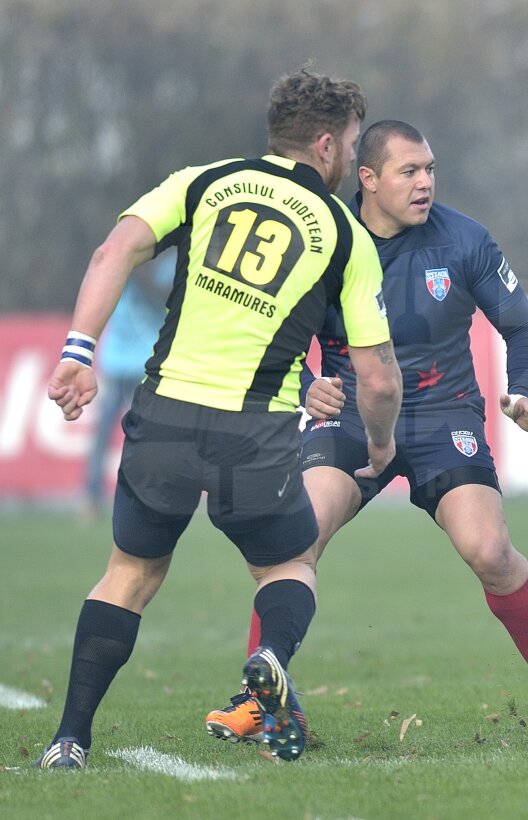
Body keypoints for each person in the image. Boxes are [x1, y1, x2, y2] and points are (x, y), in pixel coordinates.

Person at [36, 68, 403, 770]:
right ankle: (270, 655)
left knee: (130, 574)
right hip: (255, 433)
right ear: (324, 144)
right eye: (354, 145)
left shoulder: (202, 182)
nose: (355, 161)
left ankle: (69, 739)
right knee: (287, 565)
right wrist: (381, 444)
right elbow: (378, 376)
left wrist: (79, 351)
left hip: (164, 417)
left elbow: (112, 251)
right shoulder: (344, 232)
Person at [205, 119, 528, 744]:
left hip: (444, 415)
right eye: (409, 172)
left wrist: (522, 390)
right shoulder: (322, 238)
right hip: (349, 416)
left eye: (430, 169)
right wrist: (309, 381)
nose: (425, 184)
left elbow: (524, 329)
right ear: (367, 179)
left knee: (490, 552)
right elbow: (265, 329)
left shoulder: (465, 239)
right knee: (295, 542)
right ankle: (261, 696)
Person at [81, 251, 173, 521]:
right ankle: (91, 496)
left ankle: (153, 494)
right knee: (103, 433)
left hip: (143, 365)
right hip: (116, 363)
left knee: (147, 433)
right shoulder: (118, 273)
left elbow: (165, 295)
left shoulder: (163, 274)